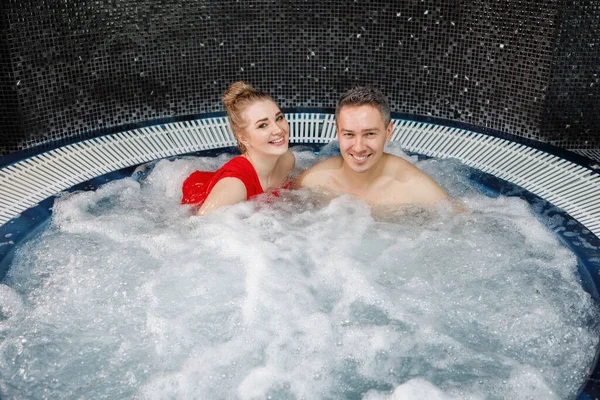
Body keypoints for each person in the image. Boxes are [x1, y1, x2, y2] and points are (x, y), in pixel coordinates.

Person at [296, 86, 449, 206]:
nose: (358, 147)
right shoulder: (314, 180)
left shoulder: (418, 190)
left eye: (369, 134)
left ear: (388, 131)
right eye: (349, 134)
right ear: (338, 132)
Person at [181, 82, 295, 215]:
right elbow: (197, 227)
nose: (278, 130)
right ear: (243, 138)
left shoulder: (287, 159)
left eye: (279, 118)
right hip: (199, 196)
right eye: (263, 125)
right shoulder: (234, 186)